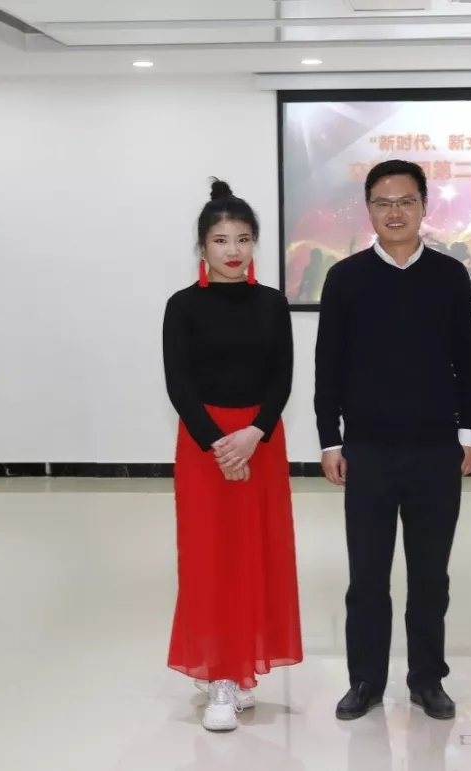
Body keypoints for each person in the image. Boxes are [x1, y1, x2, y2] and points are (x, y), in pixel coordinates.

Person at [314, 159, 471, 722]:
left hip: (436, 450)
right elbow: (327, 366)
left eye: (406, 201)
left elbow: (469, 361)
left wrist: (467, 431)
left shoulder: (450, 275)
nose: (395, 212)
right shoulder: (345, 278)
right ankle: (365, 680)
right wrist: (330, 440)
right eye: (383, 203)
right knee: (367, 576)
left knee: (431, 577)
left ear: (424, 207)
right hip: (367, 451)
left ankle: (427, 679)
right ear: (368, 209)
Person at [162, 178, 303, 732]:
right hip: (205, 448)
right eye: (221, 240)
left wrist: (254, 433)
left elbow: (282, 377)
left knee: (257, 553)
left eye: (243, 239)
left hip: (260, 443)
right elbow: (179, 384)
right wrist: (220, 444)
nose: (233, 250)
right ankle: (219, 673)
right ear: (203, 246)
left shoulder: (272, 303)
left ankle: (245, 666)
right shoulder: (182, 306)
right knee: (210, 556)